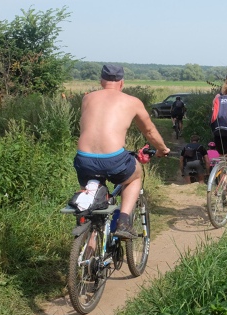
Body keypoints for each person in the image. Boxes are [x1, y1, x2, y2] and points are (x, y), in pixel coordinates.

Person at [73, 64, 170, 239]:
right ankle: (124, 222)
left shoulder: (87, 98)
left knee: (93, 209)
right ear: (122, 82)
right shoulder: (132, 102)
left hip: (84, 159)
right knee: (136, 175)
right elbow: (149, 131)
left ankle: (89, 250)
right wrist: (162, 149)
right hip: (113, 158)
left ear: (102, 81)